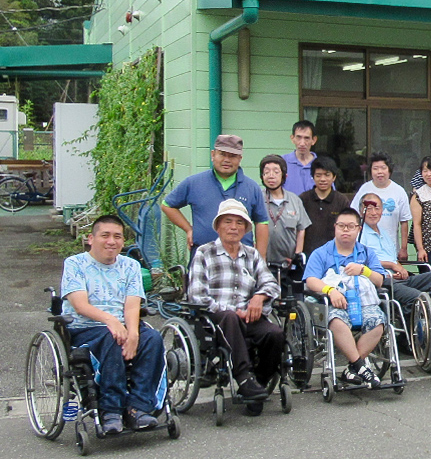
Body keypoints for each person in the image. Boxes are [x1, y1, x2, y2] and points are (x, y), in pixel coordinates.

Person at [60, 215, 166, 433]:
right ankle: (111, 410)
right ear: (91, 238)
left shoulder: (130, 266)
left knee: (152, 339)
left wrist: (134, 334)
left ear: (123, 242)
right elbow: (80, 305)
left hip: (123, 325)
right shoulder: (75, 264)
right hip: (85, 328)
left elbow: (132, 305)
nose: (111, 241)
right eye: (105, 235)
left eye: (117, 236)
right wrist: (110, 321)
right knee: (112, 338)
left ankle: (138, 408)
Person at [186, 199, 282, 415]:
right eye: (228, 222)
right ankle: (244, 377)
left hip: (250, 316)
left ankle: (257, 383)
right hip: (217, 318)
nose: (233, 227)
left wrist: (259, 297)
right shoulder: (204, 252)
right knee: (229, 317)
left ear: (246, 228)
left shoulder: (252, 254)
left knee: (275, 334)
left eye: (239, 223)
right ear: (218, 226)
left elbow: (271, 284)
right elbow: (197, 295)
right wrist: (228, 309)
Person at [303, 208, 387, 387]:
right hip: (336, 303)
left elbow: (380, 280)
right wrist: (330, 290)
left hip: (363, 303)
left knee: (378, 321)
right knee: (336, 321)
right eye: (341, 226)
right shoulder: (321, 253)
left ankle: (352, 368)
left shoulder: (367, 253)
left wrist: (363, 270)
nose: (346, 230)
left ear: (358, 229)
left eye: (351, 226)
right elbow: (310, 280)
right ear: (335, 228)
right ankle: (361, 366)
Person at [162, 134, 269, 258]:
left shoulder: (252, 187)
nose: (227, 160)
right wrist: (188, 229)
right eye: (222, 154)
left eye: (232, 156)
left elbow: (262, 222)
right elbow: (167, 205)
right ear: (213, 155)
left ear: (240, 158)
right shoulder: (194, 183)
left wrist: (260, 259)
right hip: (203, 259)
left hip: (241, 259)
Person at [357, 192, 431, 315]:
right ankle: (404, 328)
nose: (373, 213)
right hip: (382, 279)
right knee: (416, 297)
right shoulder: (360, 234)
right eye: (368, 208)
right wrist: (393, 266)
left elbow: (393, 259)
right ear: (361, 211)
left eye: (377, 208)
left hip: (398, 277)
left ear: (382, 210)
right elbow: (362, 262)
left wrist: (400, 269)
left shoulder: (384, 232)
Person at [349, 153, 412, 262]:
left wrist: (404, 248)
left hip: (391, 247)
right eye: (375, 168)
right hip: (366, 246)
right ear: (370, 171)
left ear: (389, 170)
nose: (379, 172)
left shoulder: (399, 191)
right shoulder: (365, 189)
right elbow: (353, 215)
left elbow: (404, 221)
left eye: (383, 168)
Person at [259, 154, 310, 268]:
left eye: (276, 172)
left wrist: (297, 255)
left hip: (287, 264)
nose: (271, 176)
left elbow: (301, 230)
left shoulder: (294, 200)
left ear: (284, 175)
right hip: (262, 263)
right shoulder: (257, 198)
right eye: (266, 172)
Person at [299, 156, 351, 253]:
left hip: (334, 254)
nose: (322, 179)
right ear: (313, 177)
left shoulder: (341, 201)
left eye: (327, 175)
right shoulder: (303, 199)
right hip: (308, 254)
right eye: (318, 175)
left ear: (334, 177)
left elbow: (346, 228)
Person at [282, 120, 318, 195]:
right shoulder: (282, 163)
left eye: (306, 138)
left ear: (313, 140)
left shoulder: (321, 164)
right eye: (298, 137)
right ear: (292, 138)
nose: (302, 143)